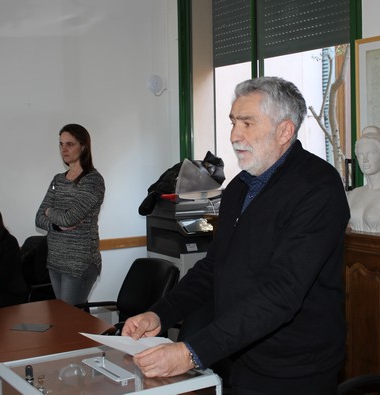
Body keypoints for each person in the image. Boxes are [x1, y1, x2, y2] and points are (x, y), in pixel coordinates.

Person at [122, 77, 350, 395]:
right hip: (240, 354)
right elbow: (212, 269)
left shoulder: (317, 188)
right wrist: (161, 314)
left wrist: (191, 353)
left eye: (247, 123)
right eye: (233, 122)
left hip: (295, 369)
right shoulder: (239, 188)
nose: (233, 135)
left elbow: (282, 292)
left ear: (284, 131)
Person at [35, 123, 105, 305]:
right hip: (55, 260)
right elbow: (38, 218)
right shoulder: (58, 180)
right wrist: (56, 225)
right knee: (63, 315)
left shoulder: (92, 181)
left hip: (79, 262)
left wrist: (49, 211)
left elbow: (70, 218)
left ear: (83, 146)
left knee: (69, 317)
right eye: (61, 144)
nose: (63, 149)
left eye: (70, 144)